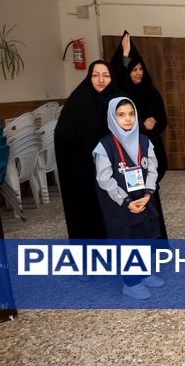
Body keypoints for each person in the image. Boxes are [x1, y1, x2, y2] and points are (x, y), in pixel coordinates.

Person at [93, 97, 165, 300]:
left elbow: (152, 169)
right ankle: (130, 282)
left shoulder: (144, 141)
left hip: (143, 200)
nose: (127, 119)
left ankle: (145, 273)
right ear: (112, 117)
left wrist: (148, 194)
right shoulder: (104, 146)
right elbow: (104, 179)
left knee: (144, 236)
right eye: (121, 114)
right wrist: (126, 201)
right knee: (127, 241)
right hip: (120, 204)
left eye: (131, 114)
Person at [55, 60, 126, 240]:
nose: (100, 80)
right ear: (89, 77)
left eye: (106, 75)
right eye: (95, 75)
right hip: (83, 170)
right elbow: (65, 136)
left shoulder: (118, 98)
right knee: (89, 213)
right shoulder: (79, 100)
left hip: (113, 167)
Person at [110, 31, 169, 239]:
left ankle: (155, 241)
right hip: (127, 155)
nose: (138, 74)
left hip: (147, 154)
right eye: (134, 69)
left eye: (141, 69)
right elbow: (116, 80)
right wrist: (124, 56)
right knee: (132, 197)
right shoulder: (122, 93)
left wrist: (154, 119)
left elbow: (162, 118)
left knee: (150, 194)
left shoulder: (149, 91)